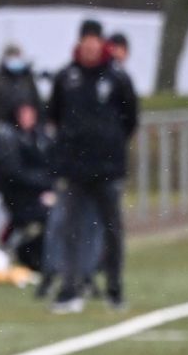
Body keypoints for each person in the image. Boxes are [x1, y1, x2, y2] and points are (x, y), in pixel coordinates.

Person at [45, 18, 137, 313]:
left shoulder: (116, 78)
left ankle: (114, 288)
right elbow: (55, 116)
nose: (90, 46)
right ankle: (70, 288)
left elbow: (130, 118)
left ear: (101, 43)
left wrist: (110, 143)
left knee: (112, 229)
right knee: (71, 229)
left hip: (107, 167)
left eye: (95, 40)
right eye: (86, 40)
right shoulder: (66, 77)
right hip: (75, 168)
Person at [0, 101, 55, 272]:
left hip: (40, 194)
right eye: (24, 114)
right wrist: (43, 187)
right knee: (51, 216)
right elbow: (14, 174)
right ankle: (34, 257)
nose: (28, 118)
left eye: (31, 113)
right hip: (20, 200)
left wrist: (51, 187)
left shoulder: (39, 138)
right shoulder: (8, 138)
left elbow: (50, 166)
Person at [0, 43, 42, 129]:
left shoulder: (27, 81)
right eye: (12, 57)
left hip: (25, 131)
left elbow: (37, 104)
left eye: (17, 57)